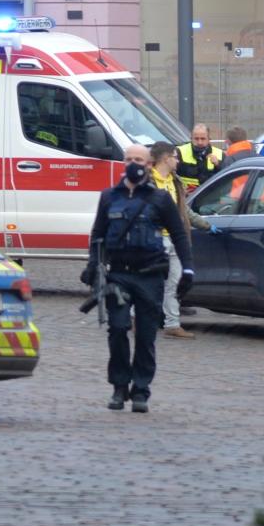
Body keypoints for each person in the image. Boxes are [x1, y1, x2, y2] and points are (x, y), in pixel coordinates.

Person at [82, 143, 194, 414]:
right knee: (118, 329)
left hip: (150, 275)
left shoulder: (159, 199)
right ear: (123, 162)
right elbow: (98, 234)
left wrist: (188, 269)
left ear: (149, 164)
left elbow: (178, 233)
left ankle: (141, 389)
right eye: (129, 159)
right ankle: (119, 387)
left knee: (145, 336)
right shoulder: (109, 197)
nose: (134, 163)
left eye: (139, 160)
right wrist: (93, 266)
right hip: (118, 274)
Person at [148, 141, 212, 338]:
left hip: (175, 239)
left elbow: (185, 211)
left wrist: (205, 224)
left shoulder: (175, 181)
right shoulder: (148, 181)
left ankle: (172, 324)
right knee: (149, 282)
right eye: (175, 157)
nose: (178, 161)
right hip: (154, 239)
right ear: (166, 159)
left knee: (174, 283)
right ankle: (136, 317)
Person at [176, 123, 223, 193]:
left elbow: (225, 178)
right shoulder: (179, 152)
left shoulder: (219, 154)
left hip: (210, 197)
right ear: (191, 138)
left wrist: (218, 165)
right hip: (186, 197)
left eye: (203, 139)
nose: (199, 142)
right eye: (196, 139)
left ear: (209, 139)